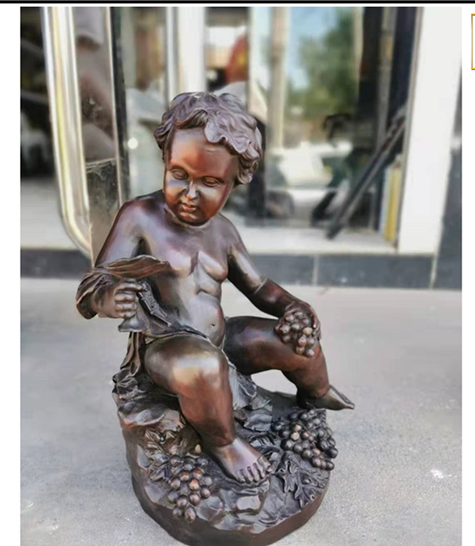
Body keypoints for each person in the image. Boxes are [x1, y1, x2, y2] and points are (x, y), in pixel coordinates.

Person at [76, 92, 353, 485]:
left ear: (234, 183)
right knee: (203, 366)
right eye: (179, 175)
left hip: (220, 342)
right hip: (167, 349)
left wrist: (294, 306)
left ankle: (316, 393)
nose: (190, 194)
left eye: (209, 182)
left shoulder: (223, 231)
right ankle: (223, 443)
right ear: (165, 160)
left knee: (293, 339)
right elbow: (96, 283)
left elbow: (260, 287)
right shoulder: (140, 217)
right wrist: (108, 298)